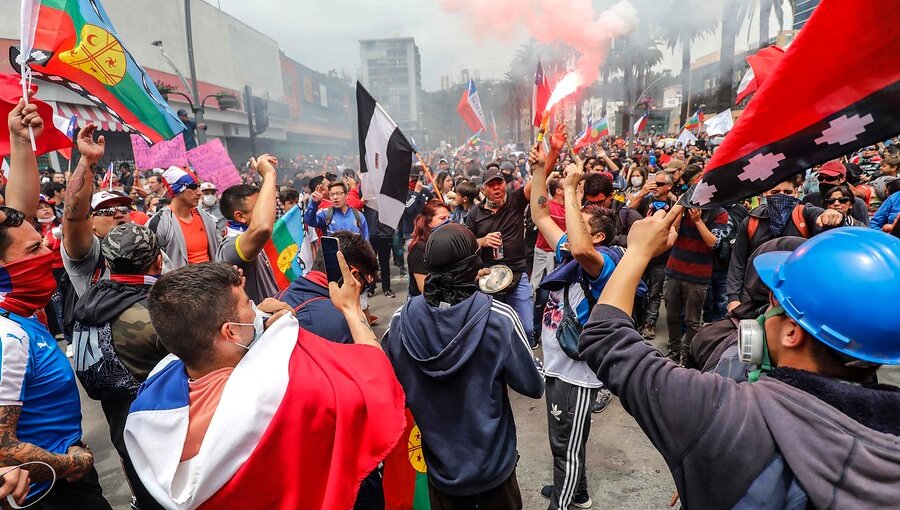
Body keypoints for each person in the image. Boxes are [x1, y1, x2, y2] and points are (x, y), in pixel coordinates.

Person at [580, 217, 900, 509]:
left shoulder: (725, 414)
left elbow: (606, 336)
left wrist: (637, 251)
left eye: (775, 299)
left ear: (792, 332)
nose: (762, 312)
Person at [125, 261, 404, 509]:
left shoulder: (151, 403)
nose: (256, 308)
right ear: (230, 331)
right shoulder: (289, 391)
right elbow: (376, 381)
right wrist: (352, 309)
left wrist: (255, 324)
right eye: (248, 303)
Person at [382, 223, 544, 509]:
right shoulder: (499, 318)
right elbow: (533, 385)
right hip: (494, 472)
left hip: (441, 474)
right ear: (474, 265)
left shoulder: (399, 322)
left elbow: (389, 390)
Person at [0, 94, 110, 509]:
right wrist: (69, 463)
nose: (48, 255)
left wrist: (20, 141)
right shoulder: (7, 335)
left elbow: (18, 215)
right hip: (47, 491)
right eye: (33, 252)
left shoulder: (21, 312)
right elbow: (2, 448)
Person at [530, 150, 619, 510]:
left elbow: (581, 248)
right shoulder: (571, 247)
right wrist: (539, 171)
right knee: (565, 439)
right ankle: (575, 490)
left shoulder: (604, 260)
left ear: (597, 235)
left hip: (577, 374)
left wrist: (571, 189)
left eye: (578, 221)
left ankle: (565, 503)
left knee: (566, 445)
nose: (568, 226)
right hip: (558, 364)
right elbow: (539, 214)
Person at [72, 224, 168, 510]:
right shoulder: (154, 314)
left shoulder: (95, 298)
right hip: (161, 434)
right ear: (159, 260)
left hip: (123, 429)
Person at [725, 179, 844, 312]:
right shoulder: (751, 222)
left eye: (787, 192)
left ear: (796, 193)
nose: (781, 196)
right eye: (775, 192)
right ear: (765, 193)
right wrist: (733, 299)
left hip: (796, 297)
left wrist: (830, 214)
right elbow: (738, 262)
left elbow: (821, 217)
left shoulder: (804, 214)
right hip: (754, 297)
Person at [465, 149, 535, 345]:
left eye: (499, 183)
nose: (496, 188)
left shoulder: (515, 202)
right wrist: (482, 241)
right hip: (489, 277)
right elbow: (465, 244)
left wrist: (551, 155)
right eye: (491, 185)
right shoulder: (474, 214)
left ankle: (528, 367)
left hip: (517, 273)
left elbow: (536, 182)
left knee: (527, 328)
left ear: (505, 184)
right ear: (483, 189)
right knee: (495, 331)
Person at [276, 230, 379, 342]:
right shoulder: (344, 321)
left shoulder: (276, 300)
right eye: (363, 288)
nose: (360, 293)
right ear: (353, 275)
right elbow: (374, 358)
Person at [662, 204, 729, 364]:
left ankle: (687, 354)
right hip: (674, 269)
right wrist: (679, 208)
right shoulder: (682, 209)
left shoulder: (719, 213)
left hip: (698, 275)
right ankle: (674, 350)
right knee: (672, 315)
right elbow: (671, 230)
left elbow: (713, 243)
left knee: (692, 320)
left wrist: (698, 221)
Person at [216, 155, 279, 303]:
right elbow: (263, 227)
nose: (264, 209)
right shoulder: (230, 248)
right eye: (258, 208)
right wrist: (270, 175)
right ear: (240, 216)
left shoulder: (245, 232)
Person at [629, 172, 677, 340]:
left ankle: (649, 324)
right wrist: (642, 192)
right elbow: (628, 211)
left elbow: (675, 229)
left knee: (655, 292)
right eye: (654, 183)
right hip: (641, 254)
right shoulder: (646, 200)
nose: (655, 186)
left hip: (661, 257)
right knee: (635, 289)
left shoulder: (673, 203)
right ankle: (634, 322)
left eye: (660, 183)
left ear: (669, 186)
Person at [148, 166, 219, 268]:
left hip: (212, 281)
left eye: (199, 186)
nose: (199, 192)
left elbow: (220, 251)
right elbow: (153, 263)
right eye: (193, 187)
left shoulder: (208, 219)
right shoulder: (159, 223)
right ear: (177, 189)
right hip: (180, 283)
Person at [800, 161, 870, 225]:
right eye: (821, 178)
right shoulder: (809, 199)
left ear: (842, 179)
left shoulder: (857, 203)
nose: (824, 181)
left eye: (830, 178)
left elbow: (865, 231)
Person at [407, 200, 451, 297]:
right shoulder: (419, 248)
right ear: (428, 222)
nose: (448, 221)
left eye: (449, 218)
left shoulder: (447, 244)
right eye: (442, 218)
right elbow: (424, 288)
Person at [304, 181, 369, 239]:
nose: (335, 197)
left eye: (339, 193)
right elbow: (309, 221)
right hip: (332, 252)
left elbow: (366, 242)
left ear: (346, 195)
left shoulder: (358, 216)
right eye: (332, 195)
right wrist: (314, 203)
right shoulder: (326, 214)